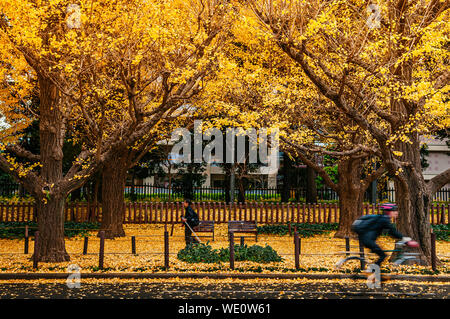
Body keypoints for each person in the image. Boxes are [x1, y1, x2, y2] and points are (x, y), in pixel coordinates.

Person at [352, 203, 418, 267]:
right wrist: (407, 241)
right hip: (368, 241)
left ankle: (373, 270)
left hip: (367, 239)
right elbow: (393, 232)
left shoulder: (382, 218)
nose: (396, 212)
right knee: (383, 255)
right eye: (394, 211)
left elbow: (390, 232)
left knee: (380, 254)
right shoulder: (384, 220)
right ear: (389, 212)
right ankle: (372, 271)